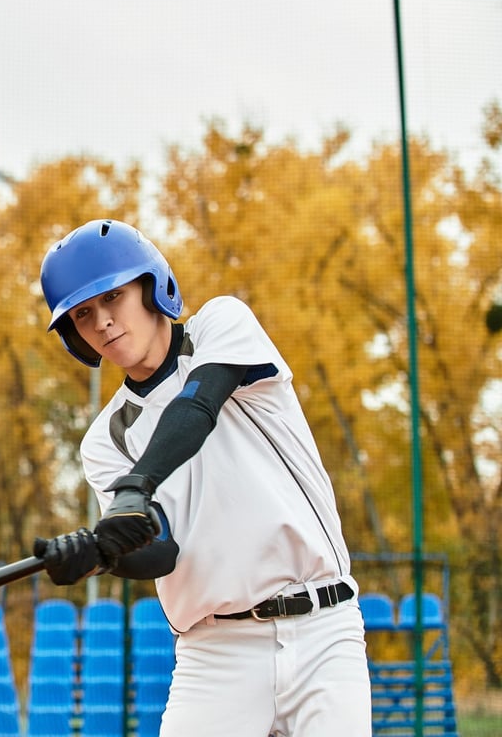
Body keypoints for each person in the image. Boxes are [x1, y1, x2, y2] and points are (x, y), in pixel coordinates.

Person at [32, 219, 371, 736]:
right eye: (83, 314)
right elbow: (162, 549)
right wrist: (102, 554)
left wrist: (135, 487)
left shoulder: (221, 325)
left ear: (152, 287)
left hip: (322, 625)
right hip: (216, 653)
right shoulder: (106, 440)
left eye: (113, 297)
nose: (101, 321)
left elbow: (198, 406)